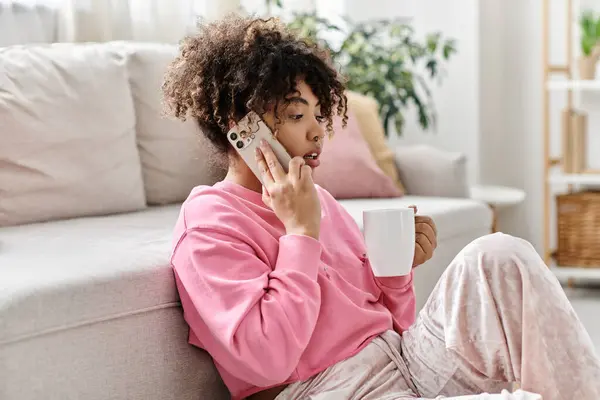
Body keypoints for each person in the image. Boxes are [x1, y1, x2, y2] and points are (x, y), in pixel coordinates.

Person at [162, 15, 600, 400]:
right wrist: (299, 236)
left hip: (405, 360)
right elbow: (266, 361)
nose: (318, 133)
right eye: (298, 116)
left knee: (501, 254)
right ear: (244, 129)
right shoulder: (210, 224)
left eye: (319, 115)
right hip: (328, 390)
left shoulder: (322, 203)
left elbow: (392, 321)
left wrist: (396, 272)